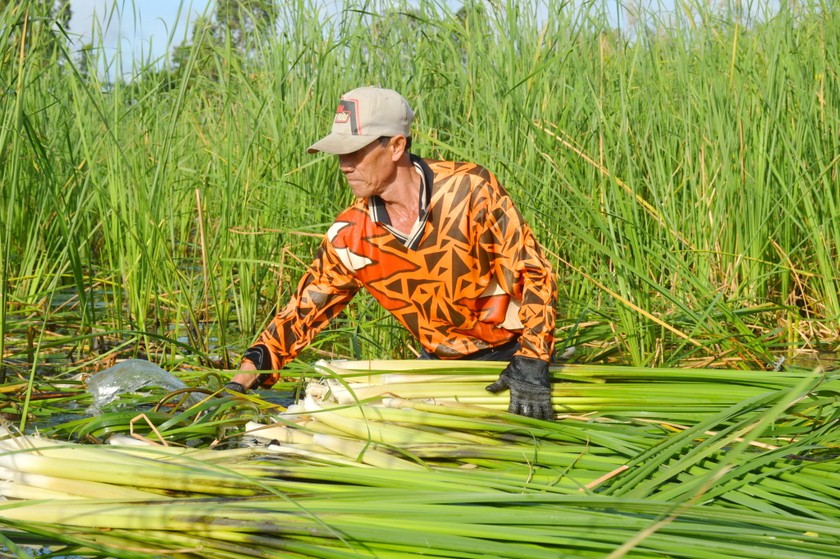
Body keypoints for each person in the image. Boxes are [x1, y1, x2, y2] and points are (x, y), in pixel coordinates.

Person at [225, 86, 558, 420]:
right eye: (339, 154)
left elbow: (534, 273)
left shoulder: (469, 190)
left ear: (396, 145)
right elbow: (302, 311)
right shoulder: (352, 235)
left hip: (514, 357)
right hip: (439, 369)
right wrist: (246, 374)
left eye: (355, 152)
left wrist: (533, 360)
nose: (344, 166)